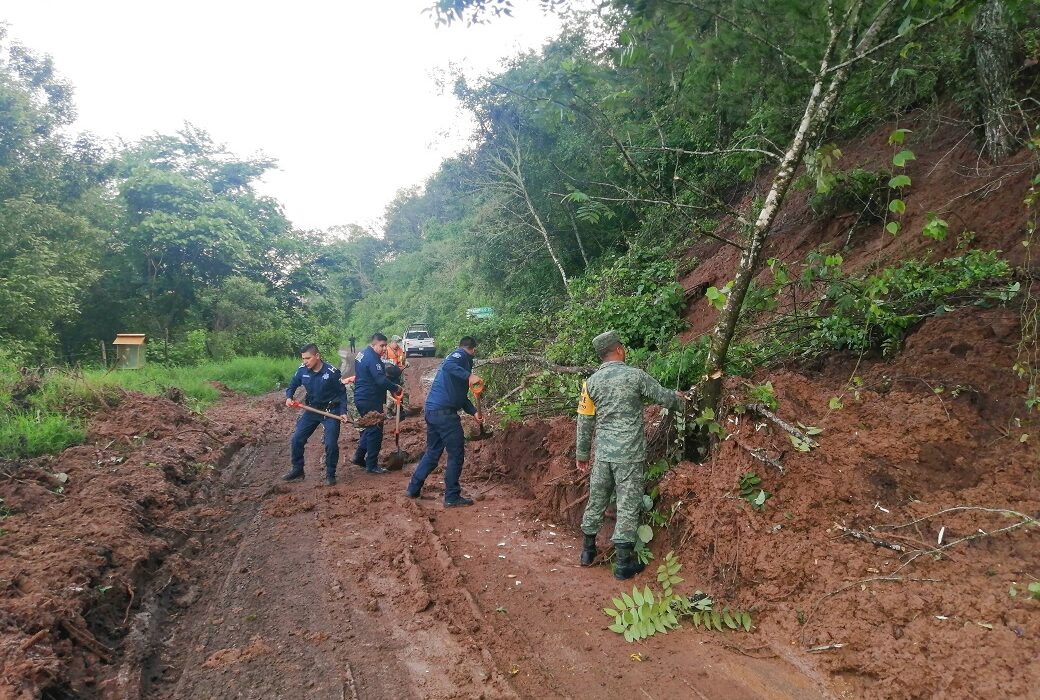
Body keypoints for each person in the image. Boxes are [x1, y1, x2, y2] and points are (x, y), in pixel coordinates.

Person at [575, 331, 687, 580]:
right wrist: (685, 402)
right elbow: (664, 396)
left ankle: (587, 551)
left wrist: (582, 454)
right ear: (619, 350)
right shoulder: (635, 376)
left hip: (603, 454)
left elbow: (584, 422)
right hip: (630, 454)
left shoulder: (590, 383)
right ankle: (624, 564)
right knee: (627, 503)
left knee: (597, 499)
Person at [406, 336, 483, 507]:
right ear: (473, 350)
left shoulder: (460, 363)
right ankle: (452, 496)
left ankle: (413, 488)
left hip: (433, 411)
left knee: (433, 453)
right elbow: (448, 366)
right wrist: (469, 375)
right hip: (444, 415)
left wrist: (474, 412)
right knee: (456, 452)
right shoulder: (459, 356)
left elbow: (461, 397)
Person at [283, 344, 351, 486]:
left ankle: (330, 474)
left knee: (331, 444)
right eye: (303, 358)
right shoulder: (302, 371)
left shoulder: (332, 372)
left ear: (317, 356)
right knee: (297, 439)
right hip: (312, 410)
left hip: (331, 411)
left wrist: (343, 412)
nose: (305, 361)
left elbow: (342, 393)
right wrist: (289, 397)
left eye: (308, 358)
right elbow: (292, 385)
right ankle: (297, 469)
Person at [352, 333, 402, 474]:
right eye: (381, 345)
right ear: (373, 344)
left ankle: (359, 457)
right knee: (376, 431)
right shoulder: (372, 359)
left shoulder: (362, 354)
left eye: (385, 345)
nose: (384, 348)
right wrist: (395, 387)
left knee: (369, 428)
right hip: (370, 398)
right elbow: (380, 380)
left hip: (361, 396)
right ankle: (372, 465)